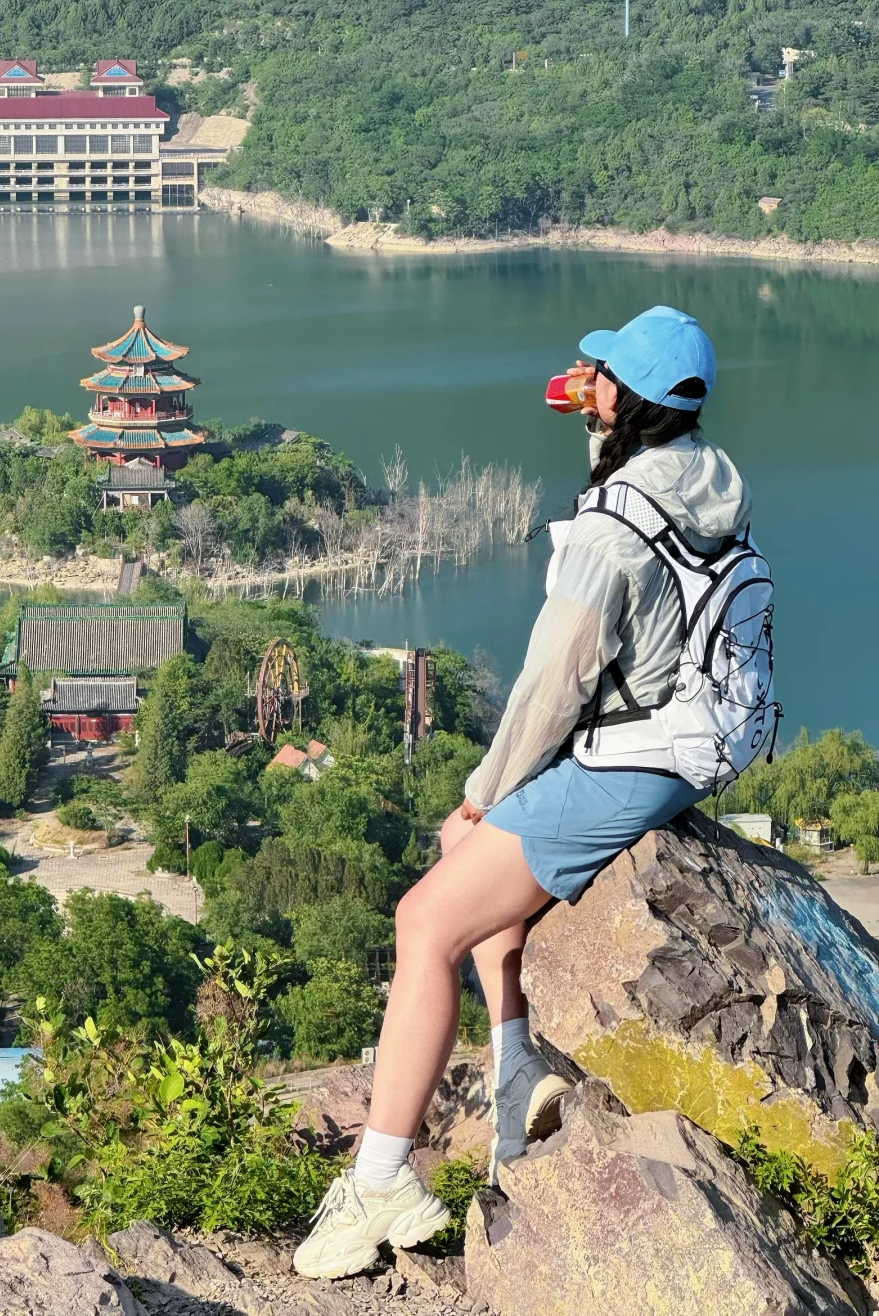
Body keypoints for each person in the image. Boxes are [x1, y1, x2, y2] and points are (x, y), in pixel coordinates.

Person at [294, 306, 756, 1281]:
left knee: (424, 922)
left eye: (602, 375)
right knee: (472, 870)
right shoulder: (707, 479)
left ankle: (381, 1178)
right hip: (685, 745)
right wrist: (605, 428)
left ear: (629, 398)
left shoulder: (616, 523)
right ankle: (516, 1079)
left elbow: (555, 680)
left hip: (630, 760)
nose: (585, 382)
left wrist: (484, 791)